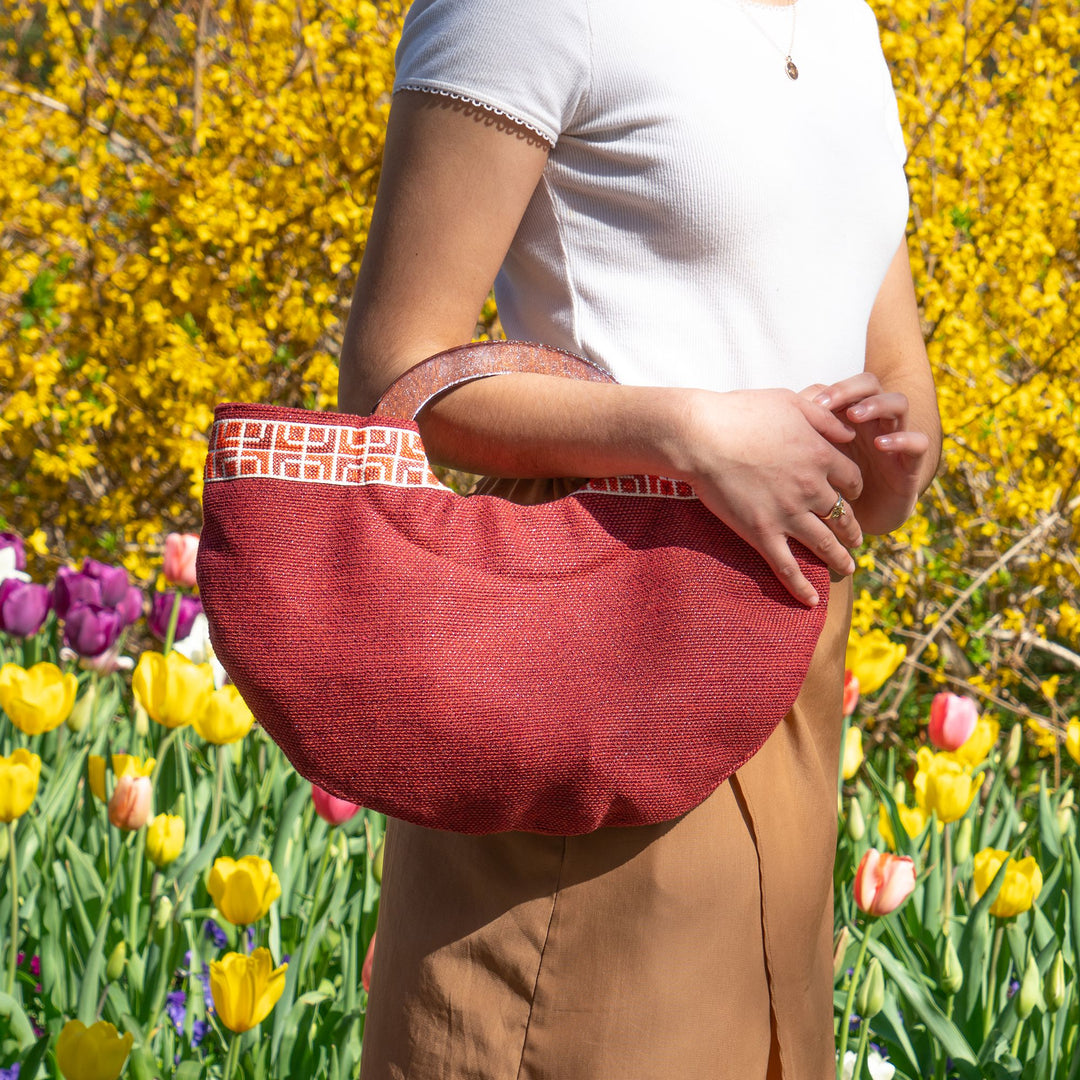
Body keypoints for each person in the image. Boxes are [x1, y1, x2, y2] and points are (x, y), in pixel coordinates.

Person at [339, 0, 942, 1075]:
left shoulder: (844, 19)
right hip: (599, 652)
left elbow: (893, 384)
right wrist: (688, 432)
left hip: (792, 656)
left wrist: (889, 450)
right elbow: (392, 373)